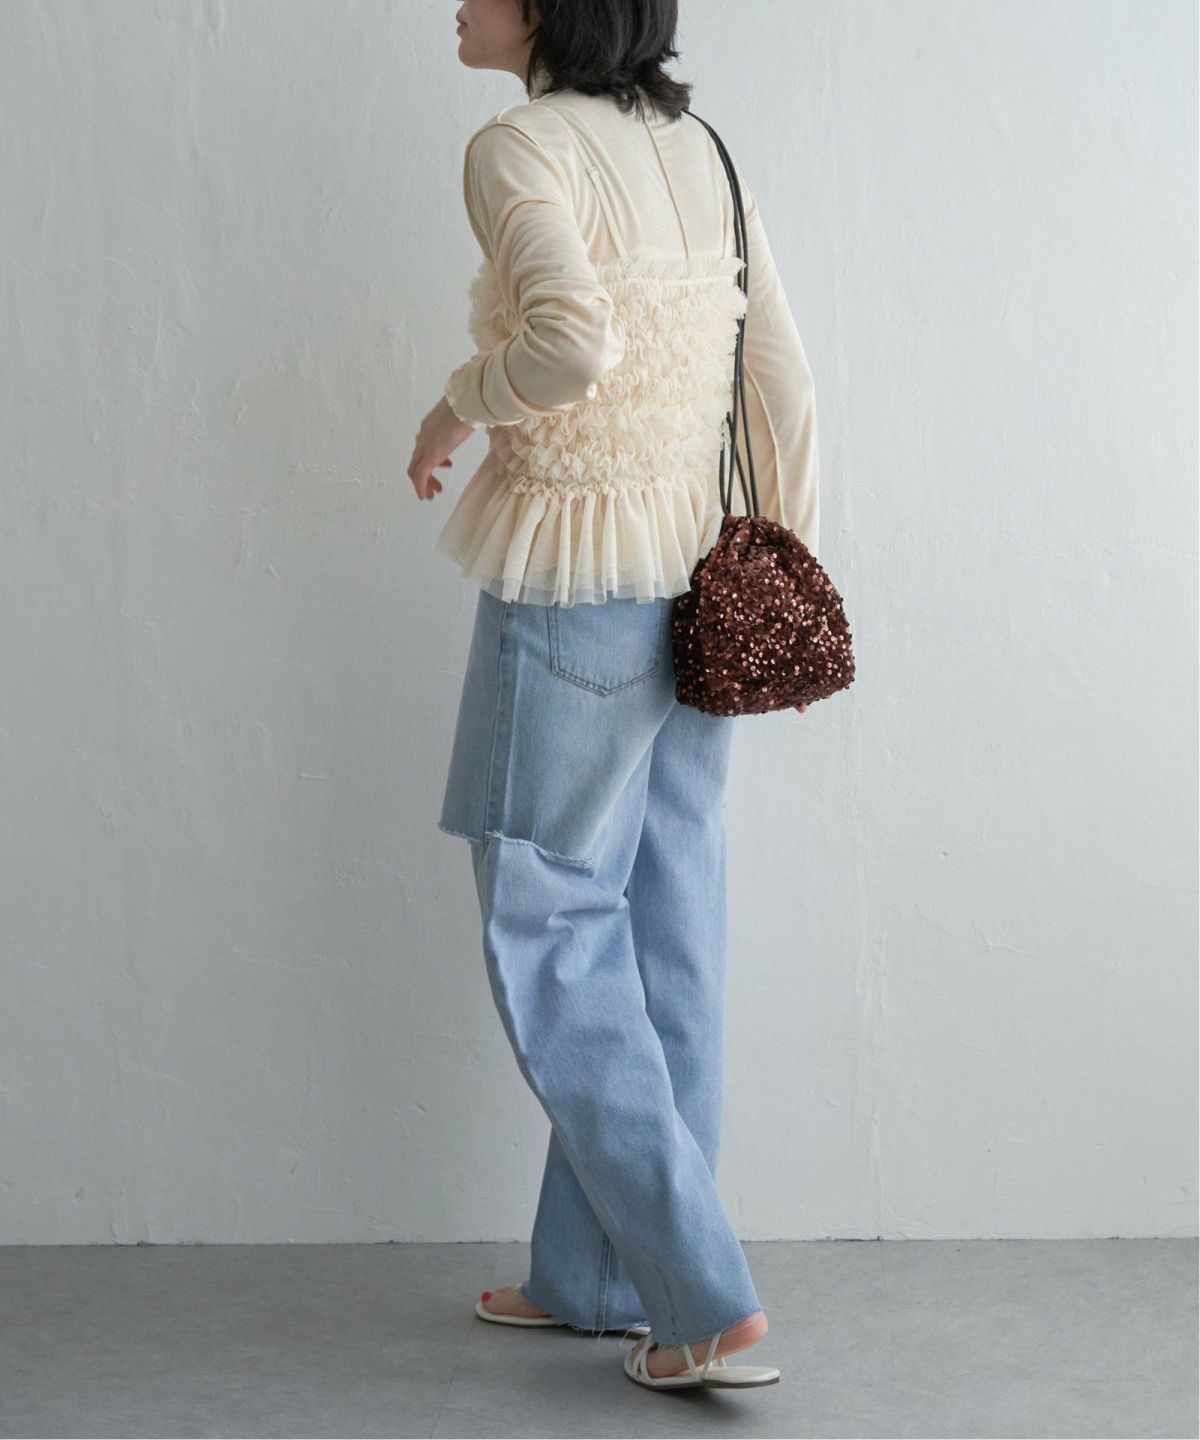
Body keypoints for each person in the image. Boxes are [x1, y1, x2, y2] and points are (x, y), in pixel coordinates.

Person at [407, 0, 820, 1393]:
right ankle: (600, 1279)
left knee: (548, 918)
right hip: (700, 577)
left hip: (580, 573)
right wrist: (776, 557)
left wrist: (460, 401)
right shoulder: (702, 147)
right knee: (667, 919)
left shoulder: (518, 145)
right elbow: (780, 379)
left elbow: (568, 345)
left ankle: (701, 1297)